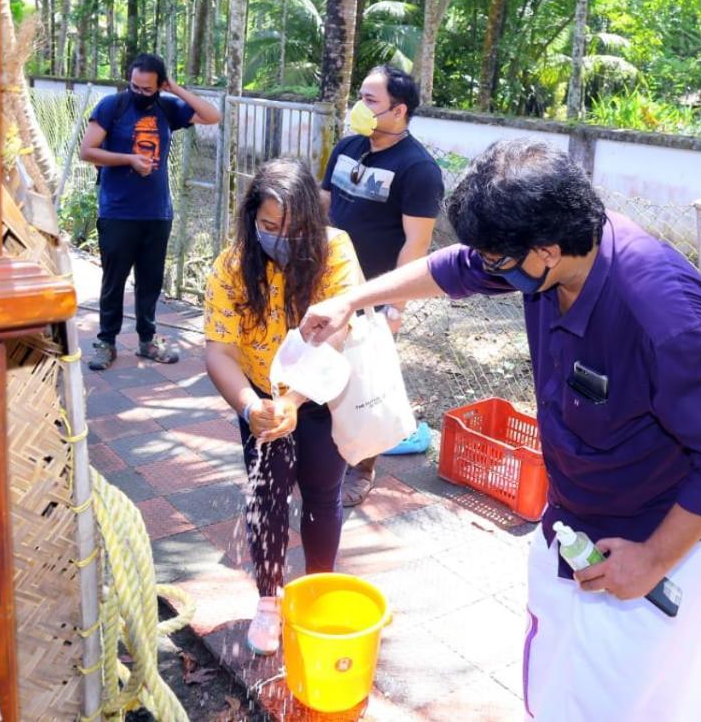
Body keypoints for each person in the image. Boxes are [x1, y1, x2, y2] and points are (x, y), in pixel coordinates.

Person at [301, 139, 701, 720]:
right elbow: (457, 268)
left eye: (497, 258)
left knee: (631, 693)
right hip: (576, 513)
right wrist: (353, 298)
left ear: (547, 250)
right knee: (557, 668)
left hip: (654, 533)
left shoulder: (661, 309)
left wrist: (652, 558)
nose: (486, 266)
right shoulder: (550, 258)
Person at [203, 158, 363, 656]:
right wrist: (253, 407)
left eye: (293, 230)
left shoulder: (335, 250)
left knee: (321, 494)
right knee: (266, 499)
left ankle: (317, 591)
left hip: (319, 396)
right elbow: (220, 352)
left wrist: (294, 399)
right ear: (252, 220)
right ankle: (269, 601)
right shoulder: (231, 267)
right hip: (259, 402)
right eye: (269, 228)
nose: (280, 238)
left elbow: (336, 336)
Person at [320, 65, 444, 506]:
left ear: (399, 111)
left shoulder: (419, 169)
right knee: (319, 372)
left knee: (365, 384)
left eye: (370, 101)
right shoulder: (348, 146)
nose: (360, 107)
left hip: (373, 296)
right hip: (328, 282)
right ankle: (323, 453)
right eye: (361, 96)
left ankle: (362, 468)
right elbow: (326, 204)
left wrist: (396, 306)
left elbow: (417, 243)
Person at [80, 53, 220, 370]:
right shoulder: (111, 106)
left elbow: (213, 116)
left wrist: (176, 89)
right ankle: (106, 341)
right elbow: (87, 151)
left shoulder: (166, 108)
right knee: (113, 280)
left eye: (147, 89)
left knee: (151, 281)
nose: (140, 93)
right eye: (135, 86)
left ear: (159, 86)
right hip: (117, 211)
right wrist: (128, 159)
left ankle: (148, 339)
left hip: (157, 213)